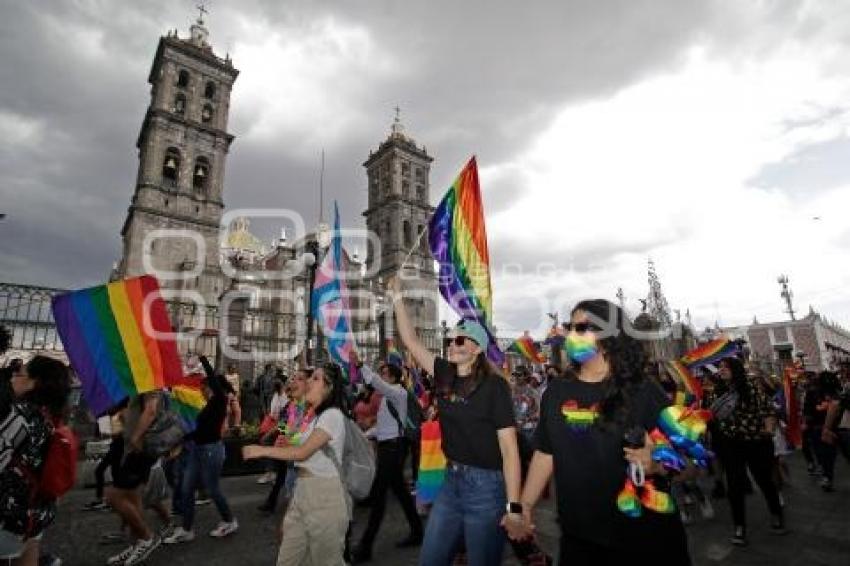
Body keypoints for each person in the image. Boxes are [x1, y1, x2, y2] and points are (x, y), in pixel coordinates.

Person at [511, 299, 691, 566]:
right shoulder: (556, 392)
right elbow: (544, 454)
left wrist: (656, 465)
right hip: (579, 539)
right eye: (569, 327)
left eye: (581, 328)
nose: (569, 335)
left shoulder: (643, 391)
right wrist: (521, 508)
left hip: (645, 538)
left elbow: (688, 464)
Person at [387, 276, 522, 566]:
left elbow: (510, 451)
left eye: (461, 340)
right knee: (430, 559)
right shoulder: (444, 372)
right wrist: (397, 296)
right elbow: (410, 340)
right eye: (450, 339)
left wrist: (514, 507)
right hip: (450, 482)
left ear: (477, 349)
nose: (452, 344)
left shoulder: (494, 387)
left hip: (487, 487)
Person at [243, 362, 351, 566]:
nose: (309, 381)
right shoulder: (310, 415)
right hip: (302, 489)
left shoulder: (333, 416)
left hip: (325, 495)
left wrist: (262, 450)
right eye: (308, 378)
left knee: (327, 561)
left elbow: (302, 452)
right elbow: (295, 442)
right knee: (288, 559)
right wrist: (283, 438)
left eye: (315, 378)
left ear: (329, 388)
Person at [351, 355, 423, 563]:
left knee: (379, 496)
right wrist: (364, 436)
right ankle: (418, 532)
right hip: (388, 448)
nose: (381, 377)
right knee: (400, 492)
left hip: (393, 449)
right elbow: (384, 427)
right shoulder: (387, 398)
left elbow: (375, 383)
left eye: (384, 374)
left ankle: (365, 546)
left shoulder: (398, 393)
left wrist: (360, 365)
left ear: (392, 377)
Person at [0, 356, 71, 566]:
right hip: (35, 510)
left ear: (34, 383)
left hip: (8, 513)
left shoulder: (18, 415)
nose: (13, 378)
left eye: (19, 374)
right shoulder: (50, 416)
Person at [712, 356, 785, 545]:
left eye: (725, 367)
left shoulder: (752, 388)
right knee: (734, 486)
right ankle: (739, 527)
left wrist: (768, 430)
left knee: (764, 480)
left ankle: (776, 514)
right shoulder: (717, 392)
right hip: (730, 444)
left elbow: (768, 410)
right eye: (720, 367)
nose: (721, 370)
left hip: (755, 441)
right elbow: (712, 416)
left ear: (735, 369)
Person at [164, 361, 238, 544]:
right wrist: (181, 440)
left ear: (211, 389)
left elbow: (213, 379)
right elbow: (200, 432)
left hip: (212, 451)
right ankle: (187, 530)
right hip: (198, 450)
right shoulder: (208, 406)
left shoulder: (220, 401)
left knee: (213, 489)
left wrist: (203, 359)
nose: (201, 391)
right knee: (186, 489)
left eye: (203, 388)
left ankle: (229, 521)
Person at [104, 390, 167, 566]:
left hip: (140, 449)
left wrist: (135, 437)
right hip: (133, 448)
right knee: (132, 498)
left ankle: (147, 538)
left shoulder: (148, 381)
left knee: (113, 495)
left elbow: (151, 410)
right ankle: (137, 543)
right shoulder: (136, 384)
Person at [258, 369, 314, 514]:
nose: (293, 381)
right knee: (287, 485)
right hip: (290, 455)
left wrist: (288, 441)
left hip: (301, 458)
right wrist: (281, 437)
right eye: (293, 378)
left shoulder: (311, 406)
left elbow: (303, 431)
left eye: (299, 379)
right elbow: (286, 424)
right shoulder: (293, 404)